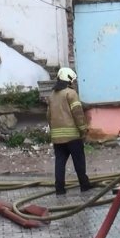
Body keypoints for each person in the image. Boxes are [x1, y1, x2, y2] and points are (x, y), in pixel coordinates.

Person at [47, 67, 92, 195]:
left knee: (60, 163)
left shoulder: (51, 96)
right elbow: (78, 114)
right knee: (79, 161)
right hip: (73, 137)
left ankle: (59, 189)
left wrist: (54, 131)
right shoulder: (71, 94)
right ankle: (84, 185)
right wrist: (83, 130)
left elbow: (48, 116)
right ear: (69, 80)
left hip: (57, 138)